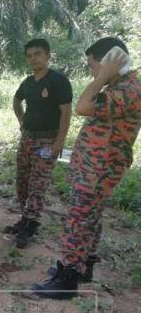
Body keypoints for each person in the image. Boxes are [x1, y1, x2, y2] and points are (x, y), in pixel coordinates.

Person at [31, 37, 140, 299]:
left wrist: (101, 77)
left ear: (108, 63)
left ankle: (67, 278)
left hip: (100, 168)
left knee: (79, 219)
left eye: (93, 65)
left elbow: (81, 107)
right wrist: (105, 77)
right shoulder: (121, 87)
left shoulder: (128, 90)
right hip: (96, 165)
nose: (91, 71)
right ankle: (82, 266)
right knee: (89, 217)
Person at [5, 39, 73, 248]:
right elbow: (17, 102)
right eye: (29, 55)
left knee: (38, 183)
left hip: (48, 139)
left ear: (47, 56)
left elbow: (66, 112)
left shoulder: (58, 80)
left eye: (38, 54)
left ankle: (31, 225)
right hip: (27, 138)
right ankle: (24, 218)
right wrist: (22, 121)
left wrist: (59, 141)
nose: (33, 58)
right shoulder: (28, 82)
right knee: (22, 180)